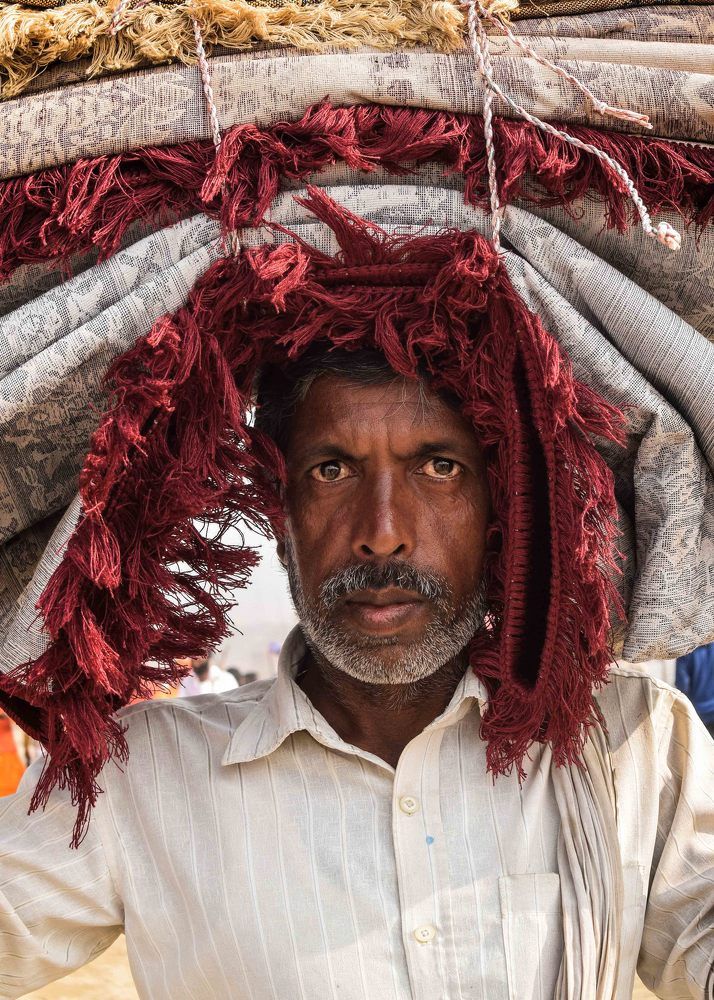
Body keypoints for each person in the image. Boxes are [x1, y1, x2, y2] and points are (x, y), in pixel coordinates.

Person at [0, 346, 712, 1000]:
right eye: (331, 470)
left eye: (438, 466)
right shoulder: (139, 774)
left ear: (502, 513)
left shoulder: (628, 745)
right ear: (282, 521)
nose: (383, 530)